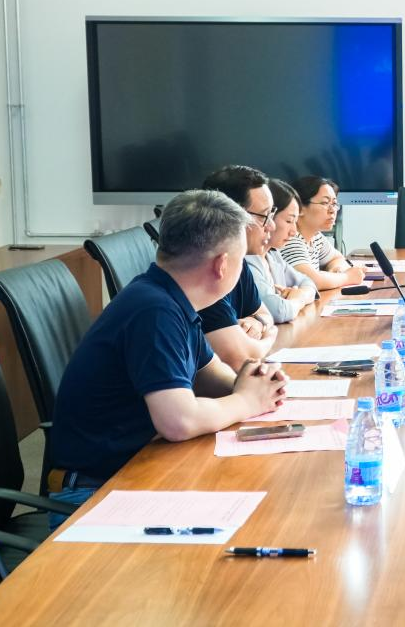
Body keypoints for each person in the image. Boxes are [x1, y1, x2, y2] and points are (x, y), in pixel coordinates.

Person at [49, 190, 288, 527]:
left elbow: (208, 375)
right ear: (222, 265)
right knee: (260, 519)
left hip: (134, 473)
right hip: (94, 494)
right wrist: (246, 401)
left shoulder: (171, 297)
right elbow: (178, 422)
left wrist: (254, 383)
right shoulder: (154, 310)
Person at [200, 165, 279, 368]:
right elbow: (239, 357)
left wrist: (257, 322)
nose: (271, 226)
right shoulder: (205, 271)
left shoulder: (238, 261)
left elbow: (265, 315)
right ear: (232, 217)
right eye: (264, 216)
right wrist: (270, 335)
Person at [246, 178, 318, 323]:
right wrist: (298, 299)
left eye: (295, 222)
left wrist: (298, 295)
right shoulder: (247, 262)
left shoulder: (273, 256)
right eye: (289, 221)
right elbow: (279, 311)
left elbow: (309, 283)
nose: (294, 231)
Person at [281, 175, 367, 291]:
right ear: (299, 208)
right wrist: (347, 277)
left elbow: (337, 258)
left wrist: (336, 270)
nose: (332, 210)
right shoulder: (289, 239)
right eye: (325, 203)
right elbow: (311, 280)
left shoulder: (315, 236)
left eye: (334, 204)